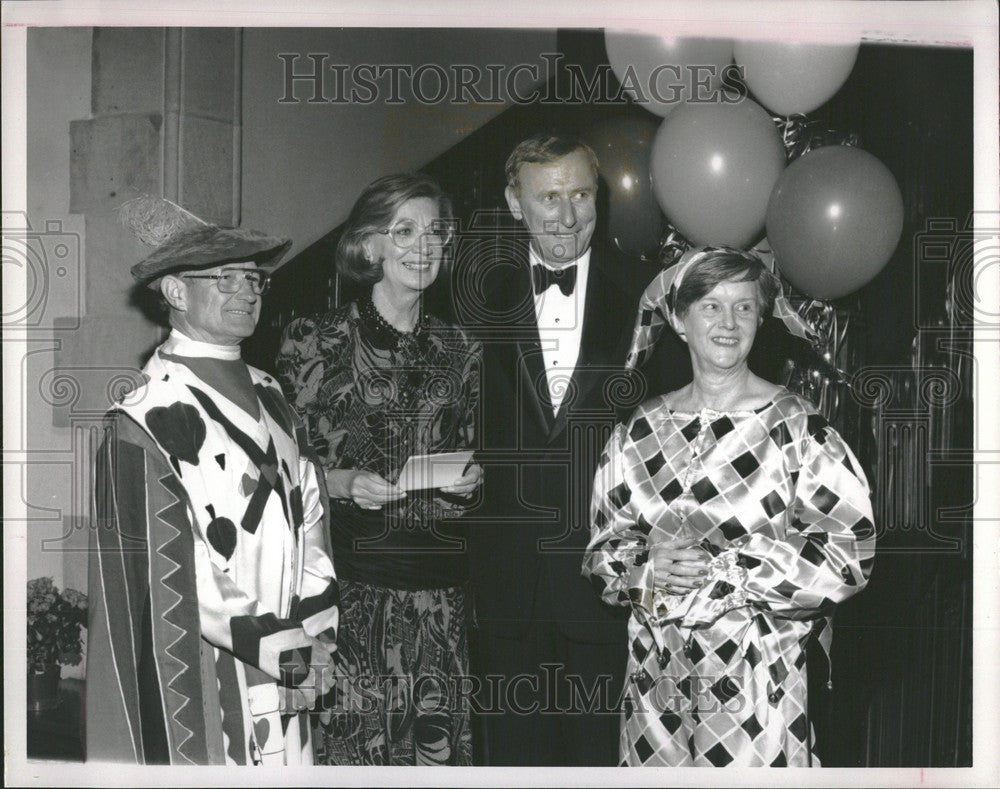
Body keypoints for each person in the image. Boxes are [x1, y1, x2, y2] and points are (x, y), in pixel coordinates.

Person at [583, 246, 876, 766]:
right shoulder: (637, 431)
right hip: (655, 688)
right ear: (678, 318)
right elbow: (604, 550)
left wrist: (729, 572)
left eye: (744, 307)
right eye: (710, 306)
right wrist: (647, 567)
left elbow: (847, 553)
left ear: (761, 319)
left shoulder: (800, 429)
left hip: (760, 686)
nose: (728, 322)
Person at [86, 200, 339, 765]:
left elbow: (311, 519)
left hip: (289, 660)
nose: (247, 290)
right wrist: (283, 648)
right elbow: (173, 568)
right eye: (226, 277)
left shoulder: (272, 394)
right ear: (175, 292)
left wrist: (318, 635)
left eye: (253, 278)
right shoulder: (144, 416)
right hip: (207, 668)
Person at [461, 133, 669, 766]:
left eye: (581, 194)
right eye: (548, 197)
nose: (568, 215)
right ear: (514, 202)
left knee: (597, 762)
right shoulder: (467, 296)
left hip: (604, 584)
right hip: (504, 584)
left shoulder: (648, 295)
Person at [276, 173, 482, 766]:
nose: (424, 246)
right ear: (370, 247)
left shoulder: (463, 348)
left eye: (435, 232)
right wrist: (339, 482)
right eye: (405, 231)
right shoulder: (313, 339)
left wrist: (470, 485)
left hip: (439, 596)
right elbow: (280, 471)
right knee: (353, 758)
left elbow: (468, 460)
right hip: (351, 592)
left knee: (434, 760)